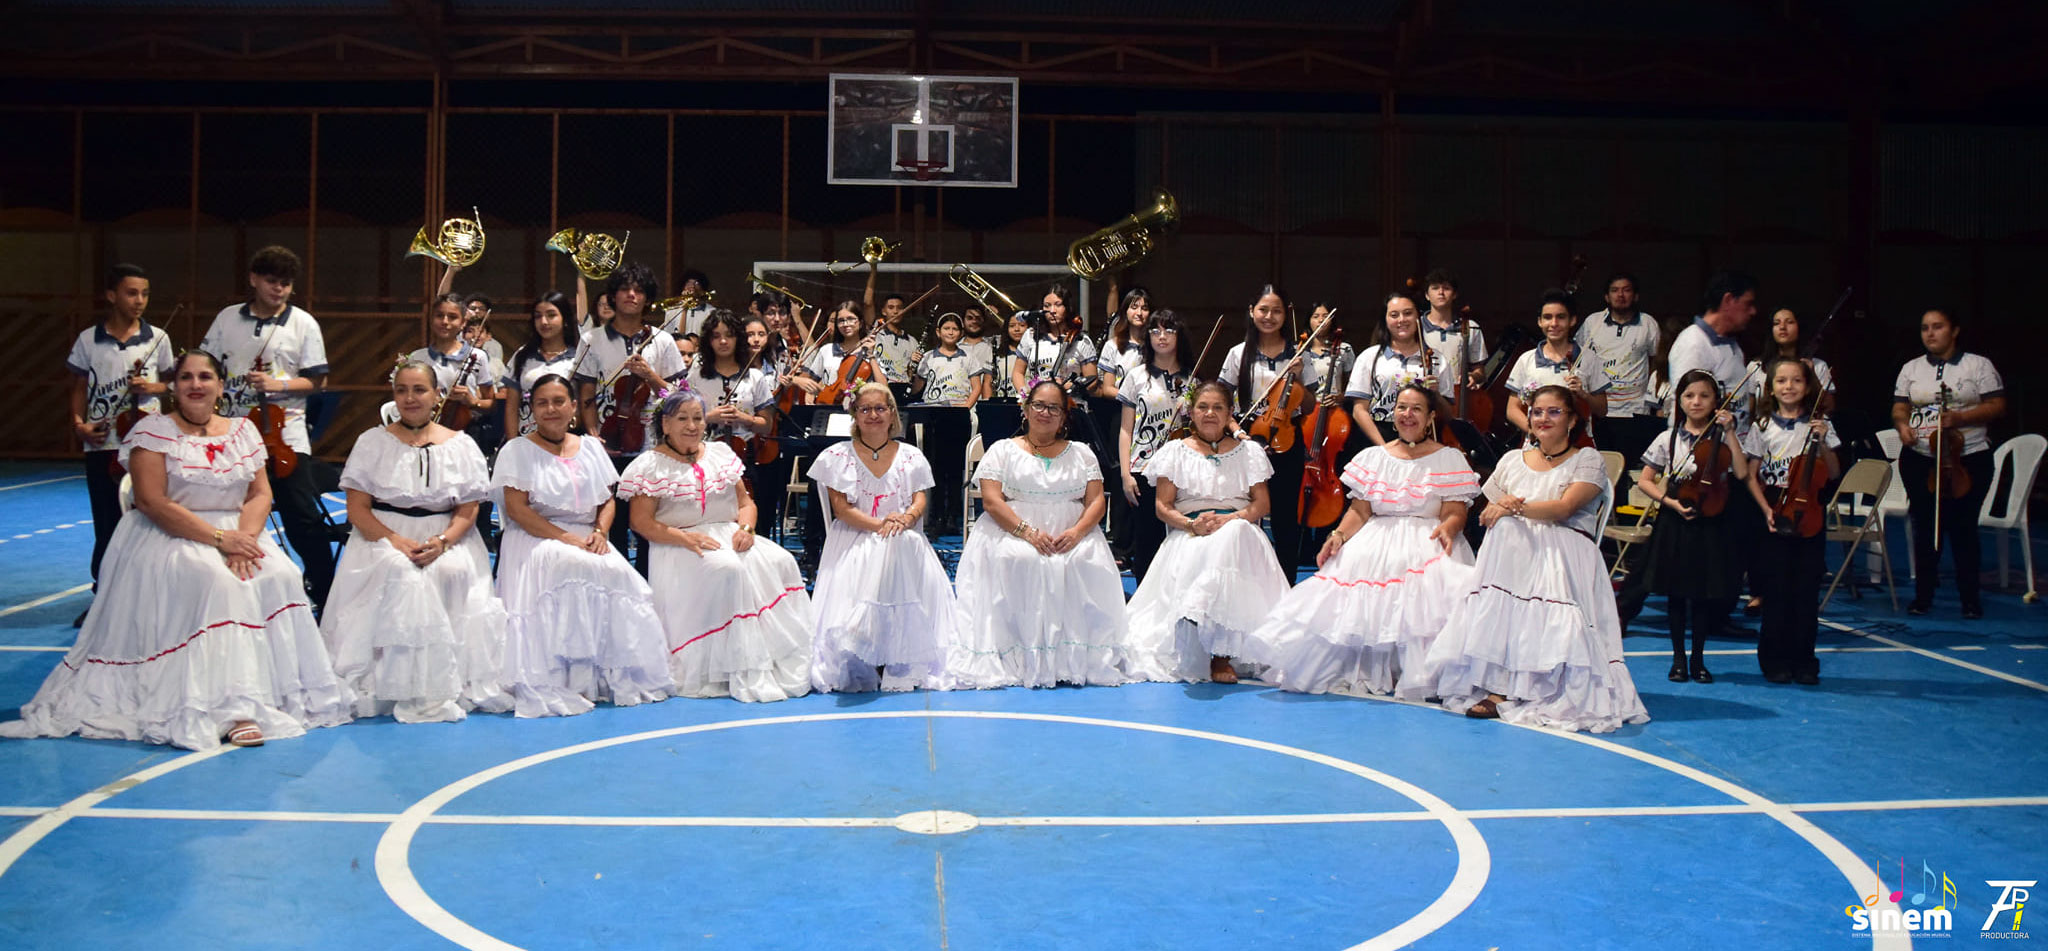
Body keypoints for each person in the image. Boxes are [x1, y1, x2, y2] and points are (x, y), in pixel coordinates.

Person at [2, 351, 351, 750]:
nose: (196, 384)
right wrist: (221, 542)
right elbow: (152, 503)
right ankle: (231, 708)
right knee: (221, 584)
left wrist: (245, 541)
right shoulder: (152, 432)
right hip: (171, 535)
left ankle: (273, 692)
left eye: (205, 377)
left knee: (283, 573)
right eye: (186, 377)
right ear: (173, 387)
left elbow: (260, 493)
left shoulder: (243, 430)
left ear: (221, 386)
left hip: (239, 533)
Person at [1423, 385, 1650, 733]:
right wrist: (1499, 512)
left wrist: (1515, 507)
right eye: (1537, 411)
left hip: (1564, 551)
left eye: (1554, 411)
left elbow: (1564, 508)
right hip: (1516, 555)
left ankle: (1535, 683)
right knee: (1505, 531)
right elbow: (1486, 515)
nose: (1543, 418)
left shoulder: (1587, 459)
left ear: (1572, 419)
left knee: (1512, 527)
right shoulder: (1512, 460)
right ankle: (1499, 685)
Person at [1244, 383, 1478, 697]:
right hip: (1375, 539)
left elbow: (1455, 513)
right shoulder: (1373, 457)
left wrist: (1449, 528)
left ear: (1431, 416)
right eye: (1402, 408)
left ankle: (1412, 673)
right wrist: (1339, 535)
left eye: (1416, 409)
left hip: (1426, 537)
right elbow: (1360, 510)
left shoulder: (1448, 458)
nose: (1407, 415)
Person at [322, 360, 509, 722]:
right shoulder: (371, 441)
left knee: (448, 572)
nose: (410, 398)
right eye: (402, 390)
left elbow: (468, 511)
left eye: (419, 389)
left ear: (437, 395)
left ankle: (437, 681)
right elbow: (358, 511)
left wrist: (441, 542)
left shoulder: (461, 445)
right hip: (383, 535)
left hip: (446, 536)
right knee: (402, 575)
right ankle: (391, 681)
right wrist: (395, 541)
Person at [492, 374, 673, 716]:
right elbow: (517, 510)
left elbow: (607, 499)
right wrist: (565, 538)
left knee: (618, 572)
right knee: (573, 565)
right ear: (532, 409)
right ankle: (569, 677)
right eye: (542, 403)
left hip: (587, 535)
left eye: (559, 401)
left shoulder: (590, 446)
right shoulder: (517, 450)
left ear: (574, 407)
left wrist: (601, 533)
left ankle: (601, 674)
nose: (551, 409)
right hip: (536, 535)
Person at [620, 388, 814, 701]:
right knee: (727, 570)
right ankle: (731, 666)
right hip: (679, 542)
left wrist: (748, 529)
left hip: (729, 533)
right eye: (682, 418)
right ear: (665, 424)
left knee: (781, 560)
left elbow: (745, 503)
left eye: (697, 418)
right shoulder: (649, 466)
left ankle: (774, 656)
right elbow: (640, 522)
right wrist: (684, 537)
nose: (692, 425)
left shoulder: (721, 454)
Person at [950, 380, 1127, 688]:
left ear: (1064, 416)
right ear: (1026, 409)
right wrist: (1028, 533)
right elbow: (992, 501)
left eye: (1054, 408)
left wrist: (1077, 532)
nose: (1045, 413)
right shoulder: (1002, 450)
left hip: (1072, 532)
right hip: (1013, 528)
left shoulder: (1082, 453)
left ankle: (1073, 658)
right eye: (1039, 405)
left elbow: (1097, 500)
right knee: (1019, 559)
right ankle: (1023, 656)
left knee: (1083, 561)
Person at [199, 245, 338, 614]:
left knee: (301, 517)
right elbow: (206, 365)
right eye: (272, 282)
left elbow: (317, 382)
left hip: (285, 438)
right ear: (254, 280)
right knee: (223, 511)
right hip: (230, 433)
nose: (279, 290)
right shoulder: (227, 318)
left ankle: (326, 593)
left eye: (286, 284)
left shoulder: (303, 323)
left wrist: (278, 385)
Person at [1122, 382, 1289, 684]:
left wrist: (1233, 519)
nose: (1210, 413)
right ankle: (1211, 648)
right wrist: (1191, 525)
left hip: (1240, 533)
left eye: (1218, 408)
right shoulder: (1174, 451)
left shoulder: (1248, 451)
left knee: (1235, 534)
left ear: (1229, 414)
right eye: (1202, 407)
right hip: (1192, 534)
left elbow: (1262, 503)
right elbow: (1163, 507)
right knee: (1224, 541)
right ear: (1190, 412)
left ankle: (1222, 652)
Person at [807, 384, 956, 692]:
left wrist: (907, 518)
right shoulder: (836, 455)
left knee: (900, 545)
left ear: (892, 415)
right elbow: (841, 510)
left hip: (901, 533)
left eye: (880, 409)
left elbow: (919, 500)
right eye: (865, 409)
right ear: (854, 415)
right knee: (886, 549)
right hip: (855, 536)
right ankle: (864, 646)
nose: (873, 415)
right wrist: (880, 525)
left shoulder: (911, 455)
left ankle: (899, 654)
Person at [68, 263, 174, 626]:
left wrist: (153, 388)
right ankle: (104, 599)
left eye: (145, 293)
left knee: (151, 519)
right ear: (112, 295)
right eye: (132, 293)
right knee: (107, 523)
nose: (140, 300)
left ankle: (152, 596)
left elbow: (174, 385)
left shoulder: (158, 337)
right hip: (103, 444)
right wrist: (79, 425)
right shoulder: (87, 340)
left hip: (147, 446)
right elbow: (80, 388)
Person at [1634, 370, 1751, 684]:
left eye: (1704, 396)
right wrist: (1669, 503)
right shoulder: (1668, 437)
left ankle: (1699, 660)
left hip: (1710, 520)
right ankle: (1678, 660)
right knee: (1675, 593)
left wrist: (1729, 434)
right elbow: (1646, 480)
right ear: (1679, 401)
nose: (1696, 402)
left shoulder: (1723, 437)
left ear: (1716, 401)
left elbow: (1741, 473)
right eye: (1689, 396)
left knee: (1702, 594)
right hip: (1676, 519)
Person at [573, 262, 688, 572]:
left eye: (638, 290)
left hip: (650, 445)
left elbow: (678, 396)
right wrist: (593, 430)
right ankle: (617, 581)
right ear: (612, 295)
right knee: (613, 523)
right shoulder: (591, 339)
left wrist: (651, 376)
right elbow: (586, 392)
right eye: (624, 289)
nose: (631, 295)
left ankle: (652, 585)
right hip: (606, 445)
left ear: (647, 298)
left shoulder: (663, 341)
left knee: (650, 523)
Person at [1892, 309, 2005, 618]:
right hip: (1921, 458)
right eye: (1925, 328)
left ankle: (1970, 598)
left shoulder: (1978, 365)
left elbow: (1996, 405)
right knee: (1925, 526)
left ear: (1954, 330)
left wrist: (1960, 418)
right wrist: (1903, 427)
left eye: (1938, 327)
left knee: (1963, 528)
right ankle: (1923, 596)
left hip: (1968, 457)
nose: (1930, 333)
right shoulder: (1911, 368)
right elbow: (1900, 407)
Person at [1744, 359, 1840, 683]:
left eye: (1796, 380)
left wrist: (1824, 442)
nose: (1789, 386)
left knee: (1805, 591)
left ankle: (1804, 661)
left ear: (1807, 386)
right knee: (1777, 590)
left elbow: (1835, 472)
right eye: (1781, 381)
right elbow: (1751, 476)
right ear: (1771, 387)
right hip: (1774, 512)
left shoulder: (1820, 425)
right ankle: (1774, 660)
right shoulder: (1761, 427)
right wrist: (1765, 510)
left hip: (1809, 516)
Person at [1222, 283, 1312, 568]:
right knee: (1247, 513)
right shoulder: (1238, 354)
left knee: (1286, 515)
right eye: (1263, 310)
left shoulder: (1299, 354)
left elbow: (1310, 405)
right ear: (1251, 312)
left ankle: (1285, 580)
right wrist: (1237, 431)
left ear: (1286, 315)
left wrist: (1297, 379)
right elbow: (1222, 402)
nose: (1269, 316)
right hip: (1247, 438)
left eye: (1276, 311)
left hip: (1288, 440)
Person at [1117, 309, 1195, 582]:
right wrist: (1126, 474)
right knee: (1146, 541)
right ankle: (1144, 608)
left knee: (1180, 541)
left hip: (1181, 470)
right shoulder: (1136, 376)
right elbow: (1126, 430)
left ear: (1179, 335)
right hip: (1143, 467)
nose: (1162, 337)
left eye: (1169, 330)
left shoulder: (1190, 379)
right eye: (1155, 331)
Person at [1575, 273, 1662, 466]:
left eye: (1626, 290)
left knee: (1630, 469)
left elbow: (1658, 363)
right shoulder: (1592, 322)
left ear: (1636, 296)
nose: (1620, 295)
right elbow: (1579, 360)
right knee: (1601, 467)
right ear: (1606, 297)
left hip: (1636, 410)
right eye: (1614, 290)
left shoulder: (1648, 323)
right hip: (1600, 412)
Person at [1505, 288, 1611, 440]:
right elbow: (1512, 409)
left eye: (1561, 317)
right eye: (1547, 317)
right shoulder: (1526, 359)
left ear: (1572, 320)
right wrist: (1534, 431)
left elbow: (1602, 410)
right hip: (1535, 444)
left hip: (1577, 442)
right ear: (1540, 322)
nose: (1554, 323)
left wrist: (1583, 394)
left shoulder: (1589, 358)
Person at [911, 312, 982, 535]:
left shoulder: (968, 357)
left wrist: (965, 407)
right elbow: (916, 387)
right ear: (938, 332)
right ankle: (935, 517)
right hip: (934, 414)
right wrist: (912, 369)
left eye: (954, 329)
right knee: (935, 469)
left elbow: (977, 387)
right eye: (946, 329)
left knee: (954, 469)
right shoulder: (929, 357)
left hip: (957, 415)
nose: (950, 332)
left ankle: (952, 516)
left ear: (960, 333)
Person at [1346, 290, 1436, 446]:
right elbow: (1359, 410)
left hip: (1422, 438)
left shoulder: (1436, 358)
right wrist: (1384, 448)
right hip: (1378, 437)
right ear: (1385, 320)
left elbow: (1448, 415)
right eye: (1394, 315)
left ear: (1418, 317)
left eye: (1408, 313)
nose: (1401, 320)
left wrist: (1437, 395)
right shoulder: (1369, 357)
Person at [409, 293, 500, 429]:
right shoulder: (417, 358)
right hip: (423, 430)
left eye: (452, 317)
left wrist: (473, 402)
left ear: (463, 322)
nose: (445, 322)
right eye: (439, 316)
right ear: (431, 319)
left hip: (466, 432)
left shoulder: (477, 356)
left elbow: (492, 403)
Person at [503, 291, 578, 437]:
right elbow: (511, 407)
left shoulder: (578, 358)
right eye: (538, 316)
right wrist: (512, 443)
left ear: (565, 319)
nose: (544, 322)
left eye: (551, 315)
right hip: (527, 440)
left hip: (564, 442)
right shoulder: (522, 355)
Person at [1740, 307, 1836, 420]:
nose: (1782, 327)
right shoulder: (1756, 366)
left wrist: (1812, 376)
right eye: (1776, 323)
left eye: (1789, 322)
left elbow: (1829, 408)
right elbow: (1750, 412)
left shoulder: (1818, 366)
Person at [1418, 268, 1488, 393]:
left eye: (1446, 288)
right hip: (1424, 396)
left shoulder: (1471, 327)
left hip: (1458, 396)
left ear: (1454, 294)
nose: (1441, 292)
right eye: (1435, 288)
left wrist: (1473, 377)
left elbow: (1480, 371)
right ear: (1427, 295)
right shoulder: (1416, 327)